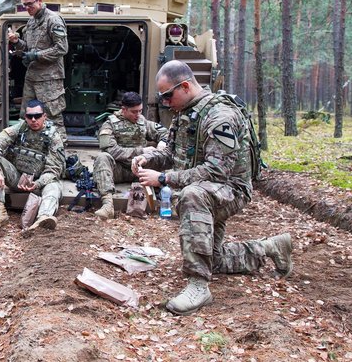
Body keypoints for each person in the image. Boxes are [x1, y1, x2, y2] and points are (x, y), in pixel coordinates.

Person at [131, 60, 293, 316]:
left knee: (192, 196)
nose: (165, 102)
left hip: (230, 189)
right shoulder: (186, 113)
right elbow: (173, 153)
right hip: (208, 187)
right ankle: (270, 247)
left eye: (167, 95)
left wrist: (163, 179)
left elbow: (216, 171)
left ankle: (198, 285)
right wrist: (147, 158)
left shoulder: (219, 117)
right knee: (212, 258)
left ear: (184, 86)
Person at [0, 99, 66, 231]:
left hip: (39, 184)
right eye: (29, 116)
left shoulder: (54, 137)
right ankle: (0, 211)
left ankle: (43, 218)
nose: (33, 120)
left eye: (38, 116)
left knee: (54, 186)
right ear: (25, 117)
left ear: (44, 116)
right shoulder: (19, 129)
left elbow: (53, 170)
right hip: (17, 178)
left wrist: (37, 183)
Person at [93, 91, 168, 219]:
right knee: (102, 158)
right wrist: (141, 151)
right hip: (119, 169)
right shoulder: (109, 124)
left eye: (140, 111)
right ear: (124, 109)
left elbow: (164, 132)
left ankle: (173, 199)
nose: (138, 115)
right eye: (134, 112)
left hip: (140, 170)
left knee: (165, 157)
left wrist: (162, 142)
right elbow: (112, 150)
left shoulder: (142, 121)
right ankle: (107, 205)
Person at [8, 0, 68, 142]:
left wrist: (36, 55)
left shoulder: (53, 19)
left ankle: (60, 155)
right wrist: (16, 42)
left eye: (30, 4)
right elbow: (28, 48)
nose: (27, 8)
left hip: (49, 79)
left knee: (52, 117)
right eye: (24, 5)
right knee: (27, 116)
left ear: (40, 1)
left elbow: (61, 48)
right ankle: (29, 149)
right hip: (32, 77)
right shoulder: (31, 22)